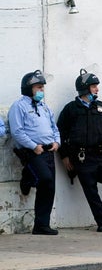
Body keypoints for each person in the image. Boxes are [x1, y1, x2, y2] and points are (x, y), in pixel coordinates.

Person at [57, 69, 102, 232]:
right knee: (91, 191)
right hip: (82, 157)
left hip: (100, 155)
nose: (97, 89)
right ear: (84, 88)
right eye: (93, 86)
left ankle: (90, 175)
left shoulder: (101, 107)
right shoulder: (71, 109)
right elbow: (60, 132)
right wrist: (64, 156)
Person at [8, 70, 61, 235]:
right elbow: (17, 131)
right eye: (38, 87)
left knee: (49, 186)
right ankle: (28, 176)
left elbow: (54, 127)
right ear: (28, 88)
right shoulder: (19, 106)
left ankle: (41, 225)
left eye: (42, 88)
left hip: (48, 151)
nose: (41, 91)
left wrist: (56, 142)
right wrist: (33, 146)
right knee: (44, 178)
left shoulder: (44, 107)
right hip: (32, 151)